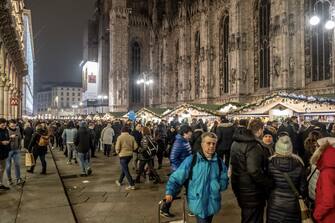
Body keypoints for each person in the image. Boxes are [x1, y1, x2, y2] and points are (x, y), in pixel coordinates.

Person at [164, 132, 229, 223]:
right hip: (198, 203)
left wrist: (217, 185)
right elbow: (176, 178)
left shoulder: (218, 162)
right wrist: (170, 192)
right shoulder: (191, 160)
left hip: (212, 203)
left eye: (213, 143)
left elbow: (224, 182)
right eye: (208, 143)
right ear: (202, 144)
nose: (211, 146)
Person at [230, 119, 273, 223]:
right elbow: (254, 170)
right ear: (260, 130)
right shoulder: (253, 145)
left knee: (247, 217)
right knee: (254, 218)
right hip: (252, 191)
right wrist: (267, 183)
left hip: (240, 187)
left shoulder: (236, 142)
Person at [267, 136, 306, 223]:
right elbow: (303, 189)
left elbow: (267, 185)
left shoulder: (270, 163)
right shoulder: (299, 164)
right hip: (293, 205)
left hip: (275, 203)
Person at [161, 125, 193, 217]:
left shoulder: (184, 141)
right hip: (180, 172)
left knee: (190, 189)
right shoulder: (179, 143)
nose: (191, 136)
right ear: (184, 133)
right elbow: (173, 158)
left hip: (185, 171)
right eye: (189, 134)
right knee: (174, 191)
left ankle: (192, 209)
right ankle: (164, 209)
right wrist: (181, 169)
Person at [310, 137, 335, 223]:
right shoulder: (331, 167)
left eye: (316, 147)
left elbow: (328, 201)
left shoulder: (327, 172)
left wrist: (317, 214)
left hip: (328, 218)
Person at [115, 126, 138, 190]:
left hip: (122, 155)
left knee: (126, 170)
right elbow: (136, 146)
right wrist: (131, 149)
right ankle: (119, 181)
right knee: (124, 168)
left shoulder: (120, 137)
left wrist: (117, 152)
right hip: (130, 155)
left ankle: (132, 184)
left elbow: (117, 147)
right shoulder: (131, 137)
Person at [6, 120, 24, 185]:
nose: (13, 127)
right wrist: (10, 138)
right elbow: (4, 140)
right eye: (12, 126)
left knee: (17, 164)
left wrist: (19, 147)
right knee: (8, 166)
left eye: (14, 125)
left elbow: (20, 138)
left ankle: (18, 179)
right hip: (8, 151)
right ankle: (9, 179)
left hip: (16, 150)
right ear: (9, 125)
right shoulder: (6, 130)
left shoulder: (17, 130)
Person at [0, 118, 10, 190]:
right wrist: (1, 142)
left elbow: (7, 138)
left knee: (2, 169)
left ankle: (0, 184)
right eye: (2, 124)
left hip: (4, 152)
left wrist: (9, 140)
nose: (4, 125)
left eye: (5, 124)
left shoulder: (6, 130)